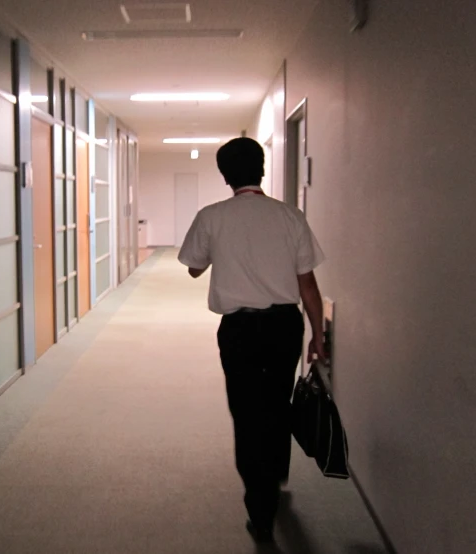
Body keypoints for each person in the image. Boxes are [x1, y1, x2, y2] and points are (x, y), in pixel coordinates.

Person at [177, 137, 326, 543]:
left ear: (225, 176)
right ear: (261, 169)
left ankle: (259, 510)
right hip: (285, 327)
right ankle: (275, 476)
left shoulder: (211, 216)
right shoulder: (290, 217)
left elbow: (193, 268)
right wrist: (319, 335)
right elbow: (308, 284)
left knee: (246, 411)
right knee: (278, 402)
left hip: (239, 330)